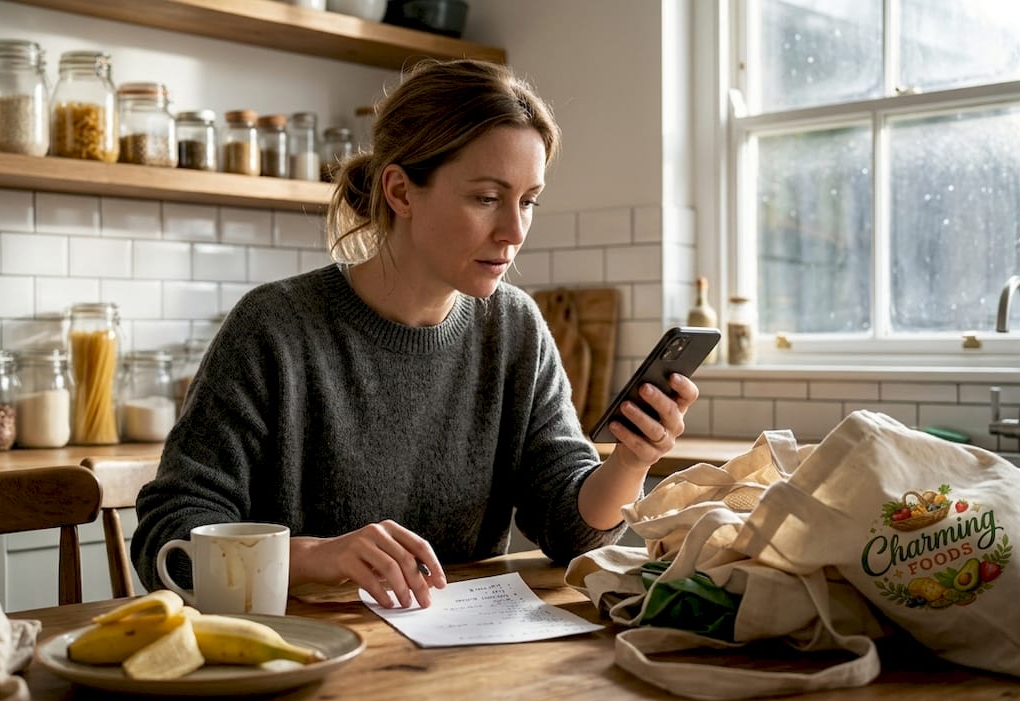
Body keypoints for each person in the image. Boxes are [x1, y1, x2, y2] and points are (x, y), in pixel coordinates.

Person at [131, 58, 700, 610]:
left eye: (528, 201)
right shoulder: (275, 328)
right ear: (401, 192)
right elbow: (170, 537)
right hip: (295, 656)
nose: (514, 230)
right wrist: (317, 557)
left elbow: (570, 527)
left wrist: (629, 461)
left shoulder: (515, 327)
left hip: (450, 662)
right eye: (486, 198)